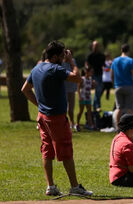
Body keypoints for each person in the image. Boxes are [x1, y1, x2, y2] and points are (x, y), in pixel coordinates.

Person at [21, 40, 92, 196]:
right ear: (54, 56)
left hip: (42, 116)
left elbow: (25, 89)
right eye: (61, 56)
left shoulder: (37, 68)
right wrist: (71, 61)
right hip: (56, 118)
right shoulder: (55, 69)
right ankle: (74, 187)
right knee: (65, 150)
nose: (63, 58)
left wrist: (39, 105)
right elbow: (78, 78)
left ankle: (51, 186)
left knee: (47, 150)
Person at [111, 43, 133, 130]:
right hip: (128, 86)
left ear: (121, 50)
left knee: (119, 108)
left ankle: (118, 127)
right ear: (128, 50)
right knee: (129, 109)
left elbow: (111, 75)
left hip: (118, 86)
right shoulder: (130, 61)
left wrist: (114, 84)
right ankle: (129, 127)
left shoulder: (115, 60)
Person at [86, 40, 105, 111]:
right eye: (94, 46)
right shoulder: (90, 55)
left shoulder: (102, 55)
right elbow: (87, 64)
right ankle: (97, 106)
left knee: (99, 90)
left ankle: (95, 105)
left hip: (100, 74)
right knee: (98, 90)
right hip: (93, 75)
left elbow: (103, 64)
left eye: (97, 46)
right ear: (92, 46)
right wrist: (88, 70)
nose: (95, 47)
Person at [76, 67, 96, 131]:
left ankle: (90, 125)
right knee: (81, 111)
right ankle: (77, 124)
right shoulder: (82, 79)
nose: (92, 73)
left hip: (88, 97)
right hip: (82, 97)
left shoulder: (90, 79)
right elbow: (78, 88)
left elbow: (91, 88)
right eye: (91, 72)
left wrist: (94, 85)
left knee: (89, 112)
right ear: (87, 72)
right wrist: (79, 96)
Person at [63, 52, 78, 130]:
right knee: (64, 108)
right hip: (63, 88)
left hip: (72, 87)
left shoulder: (73, 61)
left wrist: (71, 61)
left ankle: (72, 122)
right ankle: (65, 123)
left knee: (71, 108)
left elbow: (76, 72)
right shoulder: (61, 62)